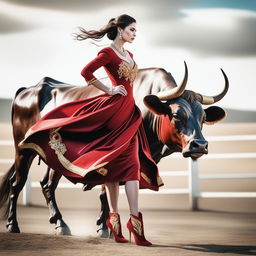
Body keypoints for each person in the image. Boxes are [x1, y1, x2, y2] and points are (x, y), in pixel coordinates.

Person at [20, 14, 163, 246]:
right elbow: (86, 72)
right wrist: (108, 89)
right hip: (114, 113)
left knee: (133, 168)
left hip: (130, 115)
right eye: (132, 30)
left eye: (137, 30)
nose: (135, 34)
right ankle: (115, 224)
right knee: (114, 171)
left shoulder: (131, 55)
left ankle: (135, 225)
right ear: (120, 30)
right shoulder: (107, 53)